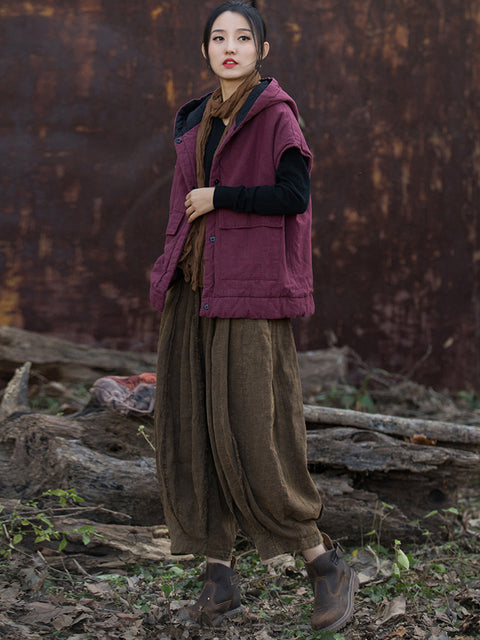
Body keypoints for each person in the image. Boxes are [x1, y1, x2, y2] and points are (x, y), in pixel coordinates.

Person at [150, 0, 358, 632]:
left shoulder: (275, 115)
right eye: (219, 37)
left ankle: (325, 565)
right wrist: (168, 272)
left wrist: (220, 197)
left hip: (248, 293)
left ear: (263, 50)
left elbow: (294, 196)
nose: (230, 47)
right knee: (193, 430)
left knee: (255, 432)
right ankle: (218, 578)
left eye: (243, 37)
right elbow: (179, 208)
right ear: (206, 50)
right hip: (195, 291)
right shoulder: (196, 119)